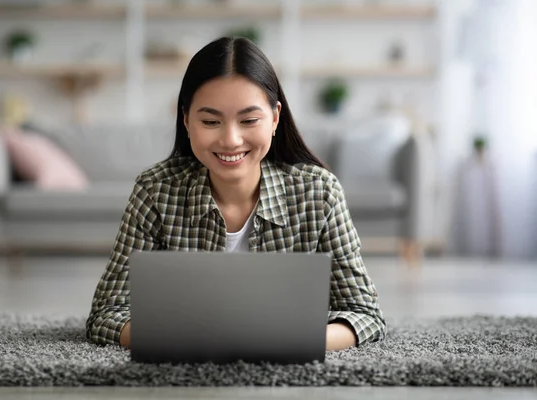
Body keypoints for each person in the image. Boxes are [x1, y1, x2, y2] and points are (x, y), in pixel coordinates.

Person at [86, 36, 386, 351]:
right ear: (186, 120)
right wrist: (182, 342)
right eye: (211, 121)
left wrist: (290, 342)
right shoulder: (154, 191)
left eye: (249, 120)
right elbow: (107, 313)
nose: (230, 140)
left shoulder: (319, 192)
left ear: (275, 118)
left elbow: (364, 313)